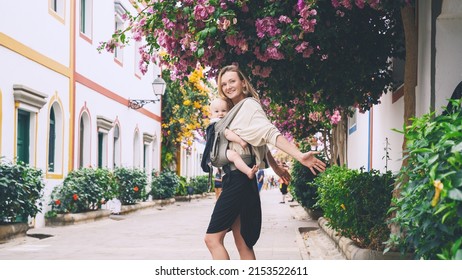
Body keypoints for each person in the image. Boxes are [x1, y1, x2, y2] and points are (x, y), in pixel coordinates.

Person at [204, 64, 326, 260]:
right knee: (243, 243)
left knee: (212, 239)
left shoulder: (249, 106)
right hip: (239, 178)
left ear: (243, 83)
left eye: (232, 81)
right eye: (224, 83)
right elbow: (259, 140)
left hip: (238, 178)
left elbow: (268, 132)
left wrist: (299, 155)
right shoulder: (235, 110)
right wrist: (276, 167)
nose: (228, 86)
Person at [209, 98, 259, 179]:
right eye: (216, 111)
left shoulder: (217, 123)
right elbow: (227, 133)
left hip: (218, 153)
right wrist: (240, 141)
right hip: (217, 154)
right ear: (210, 114)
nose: (220, 114)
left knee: (233, 156)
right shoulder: (217, 123)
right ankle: (248, 171)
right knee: (234, 156)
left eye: (224, 111)